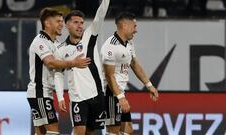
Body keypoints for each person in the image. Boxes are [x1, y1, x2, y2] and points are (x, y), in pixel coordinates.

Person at [26, 7, 91, 135]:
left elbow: (61, 67)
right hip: (39, 92)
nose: (62, 24)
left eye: (62, 21)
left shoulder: (56, 42)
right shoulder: (40, 41)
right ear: (47, 23)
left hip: (45, 93)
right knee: (53, 130)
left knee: (41, 131)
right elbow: (50, 63)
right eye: (58, 21)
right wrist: (73, 63)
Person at [53, 0, 110, 134]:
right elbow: (58, 74)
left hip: (97, 95)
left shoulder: (90, 35)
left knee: (90, 132)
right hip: (77, 98)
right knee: (79, 131)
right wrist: (60, 97)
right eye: (76, 22)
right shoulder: (61, 50)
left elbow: (100, 15)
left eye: (82, 23)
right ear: (67, 25)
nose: (80, 26)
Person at [100, 12, 159, 135]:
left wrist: (149, 85)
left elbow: (134, 64)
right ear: (125, 26)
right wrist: (120, 98)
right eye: (134, 26)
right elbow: (109, 75)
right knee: (113, 131)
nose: (136, 30)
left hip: (120, 92)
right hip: (110, 93)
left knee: (128, 131)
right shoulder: (110, 46)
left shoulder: (129, 44)